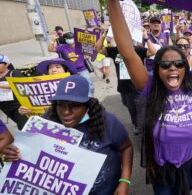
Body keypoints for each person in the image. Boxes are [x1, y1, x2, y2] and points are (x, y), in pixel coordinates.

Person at [91, 0, 192, 194]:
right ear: (157, 70)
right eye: (165, 65)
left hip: (190, 166)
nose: (173, 68)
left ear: (186, 68)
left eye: (178, 64)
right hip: (161, 170)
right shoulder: (150, 87)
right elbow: (127, 53)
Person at [2, 75, 133, 195]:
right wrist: (15, 153)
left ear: (88, 105)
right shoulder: (45, 124)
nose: (66, 112)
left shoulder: (108, 123)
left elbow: (126, 148)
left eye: (75, 106)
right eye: (60, 105)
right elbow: (31, 155)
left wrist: (124, 181)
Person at [96, 27, 156, 135]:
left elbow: (153, 51)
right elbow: (98, 49)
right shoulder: (114, 50)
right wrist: (104, 34)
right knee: (131, 108)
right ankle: (136, 124)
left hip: (139, 88)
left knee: (141, 111)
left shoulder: (137, 49)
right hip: (124, 88)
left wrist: (146, 37)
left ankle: (142, 132)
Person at [48, 32, 94, 96]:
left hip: (82, 70)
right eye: (67, 38)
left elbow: (90, 52)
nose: (69, 39)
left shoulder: (81, 46)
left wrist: (88, 54)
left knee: (88, 86)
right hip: (71, 71)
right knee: (75, 88)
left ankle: (90, 100)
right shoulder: (63, 47)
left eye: (71, 38)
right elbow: (50, 49)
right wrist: (52, 40)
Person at [0, 54, 28, 130]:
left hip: (18, 106)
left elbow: (20, 86)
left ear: (6, 64)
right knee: (19, 124)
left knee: (24, 126)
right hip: (5, 107)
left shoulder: (14, 73)